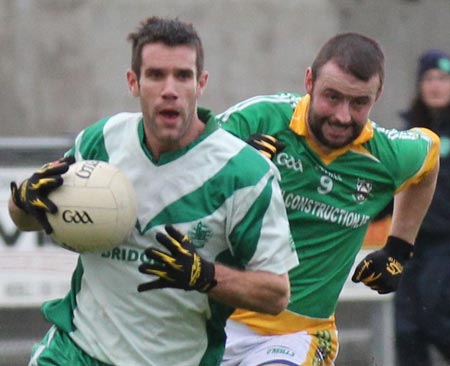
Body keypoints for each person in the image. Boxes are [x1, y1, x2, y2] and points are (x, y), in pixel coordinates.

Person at [8, 17, 299, 366]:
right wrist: (23, 200)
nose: (170, 90)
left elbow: (276, 294)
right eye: (156, 75)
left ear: (201, 83)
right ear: (134, 82)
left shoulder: (245, 174)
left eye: (183, 76)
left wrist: (204, 275)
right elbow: (23, 220)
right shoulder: (102, 140)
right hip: (76, 351)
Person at [217, 32, 440, 366]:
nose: (342, 116)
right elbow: (185, 171)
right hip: (211, 314)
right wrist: (231, 168)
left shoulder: (387, 155)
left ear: (377, 96)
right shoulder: (260, 119)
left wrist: (398, 247)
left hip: (296, 336)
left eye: (359, 103)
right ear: (309, 81)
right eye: (332, 97)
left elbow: (430, 158)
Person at [394, 49, 450, 366]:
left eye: (443, 78)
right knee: (406, 329)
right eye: (429, 78)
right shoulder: (409, 134)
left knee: (435, 315)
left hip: (446, 244)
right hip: (411, 245)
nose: (436, 85)